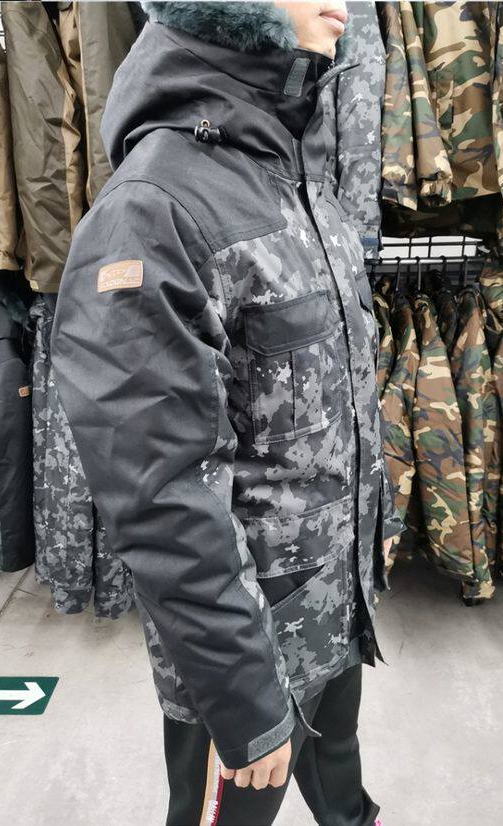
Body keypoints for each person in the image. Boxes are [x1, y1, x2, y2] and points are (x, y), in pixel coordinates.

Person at [50, 2, 405, 824]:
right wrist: (243, 698)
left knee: (342, 780)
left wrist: (369, 534)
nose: (340, 1)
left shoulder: (297, 173)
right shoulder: (156, 208)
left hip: (330, 604)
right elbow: (160, 491)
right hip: (245, 652)